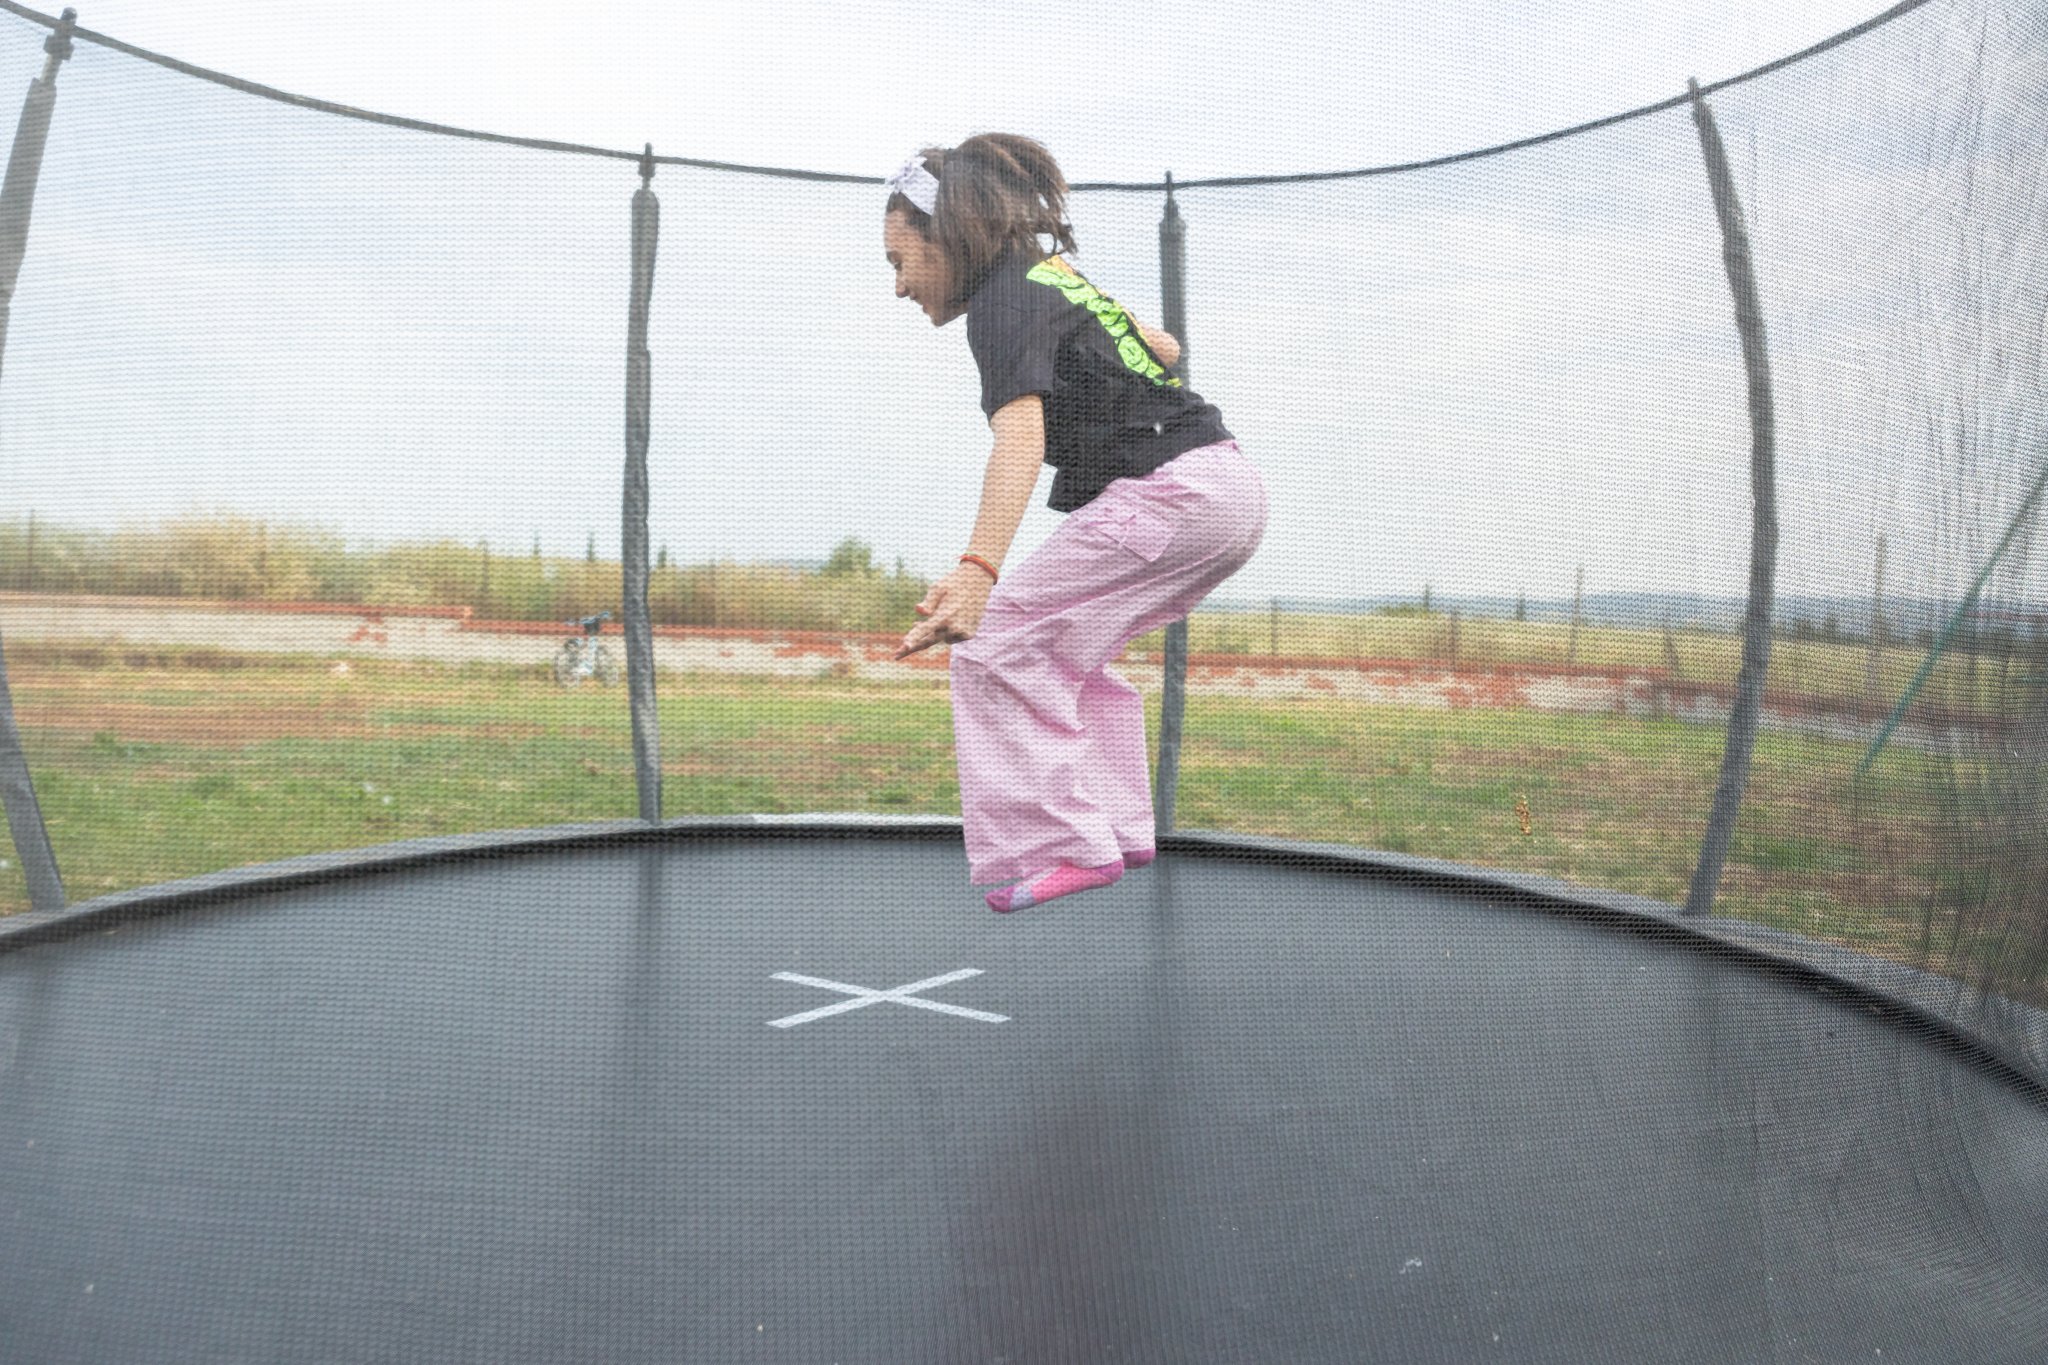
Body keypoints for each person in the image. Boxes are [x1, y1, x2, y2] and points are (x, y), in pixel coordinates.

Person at [884, 133, 1266, 913]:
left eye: (900, 261)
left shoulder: (1000, 306)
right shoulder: (1048, 276)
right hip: (1228, 489)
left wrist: (977, 571)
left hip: (1169, 495)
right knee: (1065, 653)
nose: (898, 287)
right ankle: (1120, 826)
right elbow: (1163, 347)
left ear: (944, 237)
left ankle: (1069, 843)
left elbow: (1020, 439)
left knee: (992, 647)